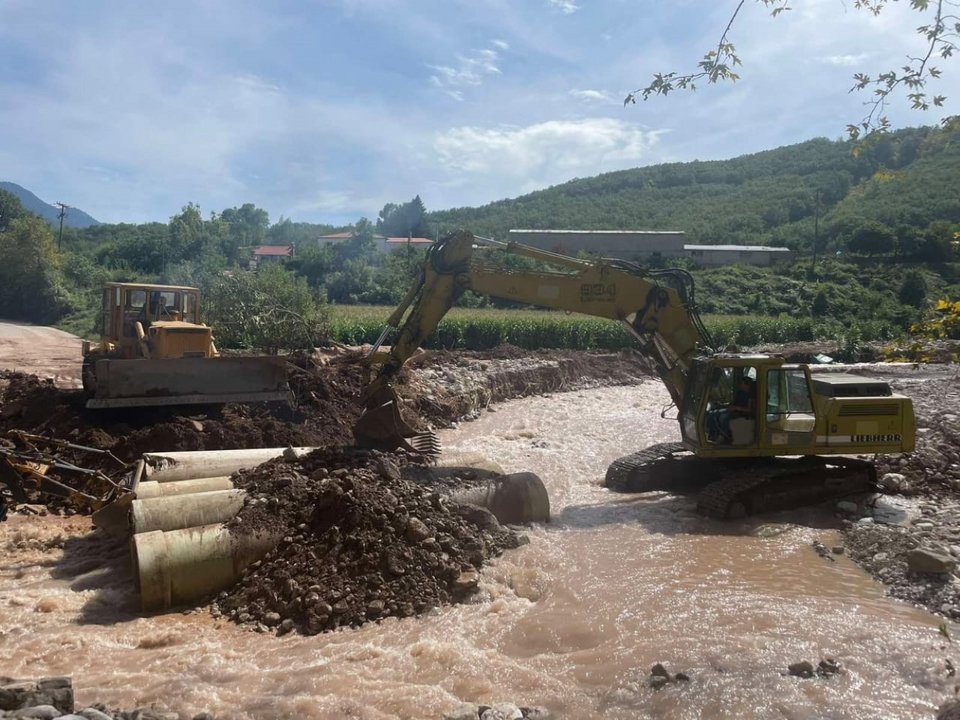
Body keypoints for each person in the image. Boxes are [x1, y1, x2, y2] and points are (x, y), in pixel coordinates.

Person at [708, 376, 756, 444]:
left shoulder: (751, 396)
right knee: (713, 413)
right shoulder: (740, 392)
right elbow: (733, 403)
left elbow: (750, 410)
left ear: (746, 385)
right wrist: (723, 405)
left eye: (742, 383)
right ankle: (712, 435)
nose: (740, 385)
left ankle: (722, 436)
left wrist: (736, 408)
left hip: (742, 413)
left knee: (724, 417)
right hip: (733, 410)